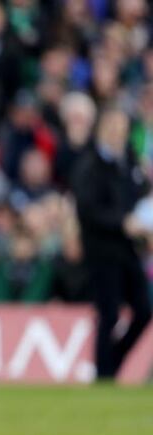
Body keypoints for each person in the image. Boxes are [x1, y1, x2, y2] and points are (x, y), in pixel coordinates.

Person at [71, 108, 153, 380]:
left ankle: (111, 363)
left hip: (127, 249)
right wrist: (122, 222)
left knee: (143, 309)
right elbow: (88, 209)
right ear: (102, 130)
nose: (118, 133)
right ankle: (104, 372)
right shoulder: (90, 165)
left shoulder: (129, 163)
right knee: (108, 313)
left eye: (122, 127)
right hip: (102, 251)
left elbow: (139, 198)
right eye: (113, 127)